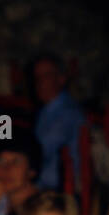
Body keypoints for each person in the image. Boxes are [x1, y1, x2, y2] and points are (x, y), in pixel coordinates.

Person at [30, 52, 86, 192]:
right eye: (37, 77)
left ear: (61, 79)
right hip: (44, 185)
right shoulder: (46, 110)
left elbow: (39, 151)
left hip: (61, 191)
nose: (40, 82)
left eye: (46, 76)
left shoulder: (68, 113)